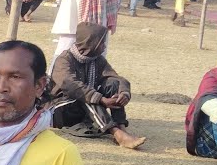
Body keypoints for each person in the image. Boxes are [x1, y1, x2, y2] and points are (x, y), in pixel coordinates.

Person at [50, 22, 146, 150]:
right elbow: (71, 85)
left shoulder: (96, 59)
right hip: (62, 110)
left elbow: (115, 78)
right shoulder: (64, 60)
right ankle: (116, 133)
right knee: (86, 95)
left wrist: (124, 93)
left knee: (112, 84)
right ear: (90, 43)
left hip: (84, 109)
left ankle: (120, 126)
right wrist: (101, 99)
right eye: (101, 43)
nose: (104, 46)